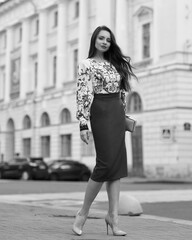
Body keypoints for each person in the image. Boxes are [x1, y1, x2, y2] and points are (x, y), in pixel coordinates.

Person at [72, 25, 137, 236]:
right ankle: (83, 213)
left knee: (115, 168)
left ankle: (113, 218)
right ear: (94, 40)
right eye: (101, 38)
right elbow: (82, 94)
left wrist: (124, 115)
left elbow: (121, 94)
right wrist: (83, 124)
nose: (105, 42)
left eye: (108, 40)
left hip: (116, 114)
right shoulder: (86, 64)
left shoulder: (114, 64)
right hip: (99, 111)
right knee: (105, 164)